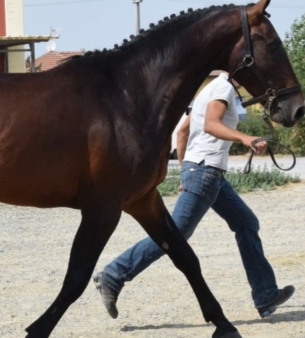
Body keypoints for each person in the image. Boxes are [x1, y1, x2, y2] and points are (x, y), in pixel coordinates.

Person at [93, 71, 294, 319]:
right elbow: (211, 124)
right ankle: (114, 274)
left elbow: (182, 132)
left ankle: (265, 295)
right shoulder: (224, 90)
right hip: (206, 172)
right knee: (175, 235)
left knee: (246, 222)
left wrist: (186, 169)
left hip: (206, 173)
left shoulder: (207, 91)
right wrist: (246, 138)